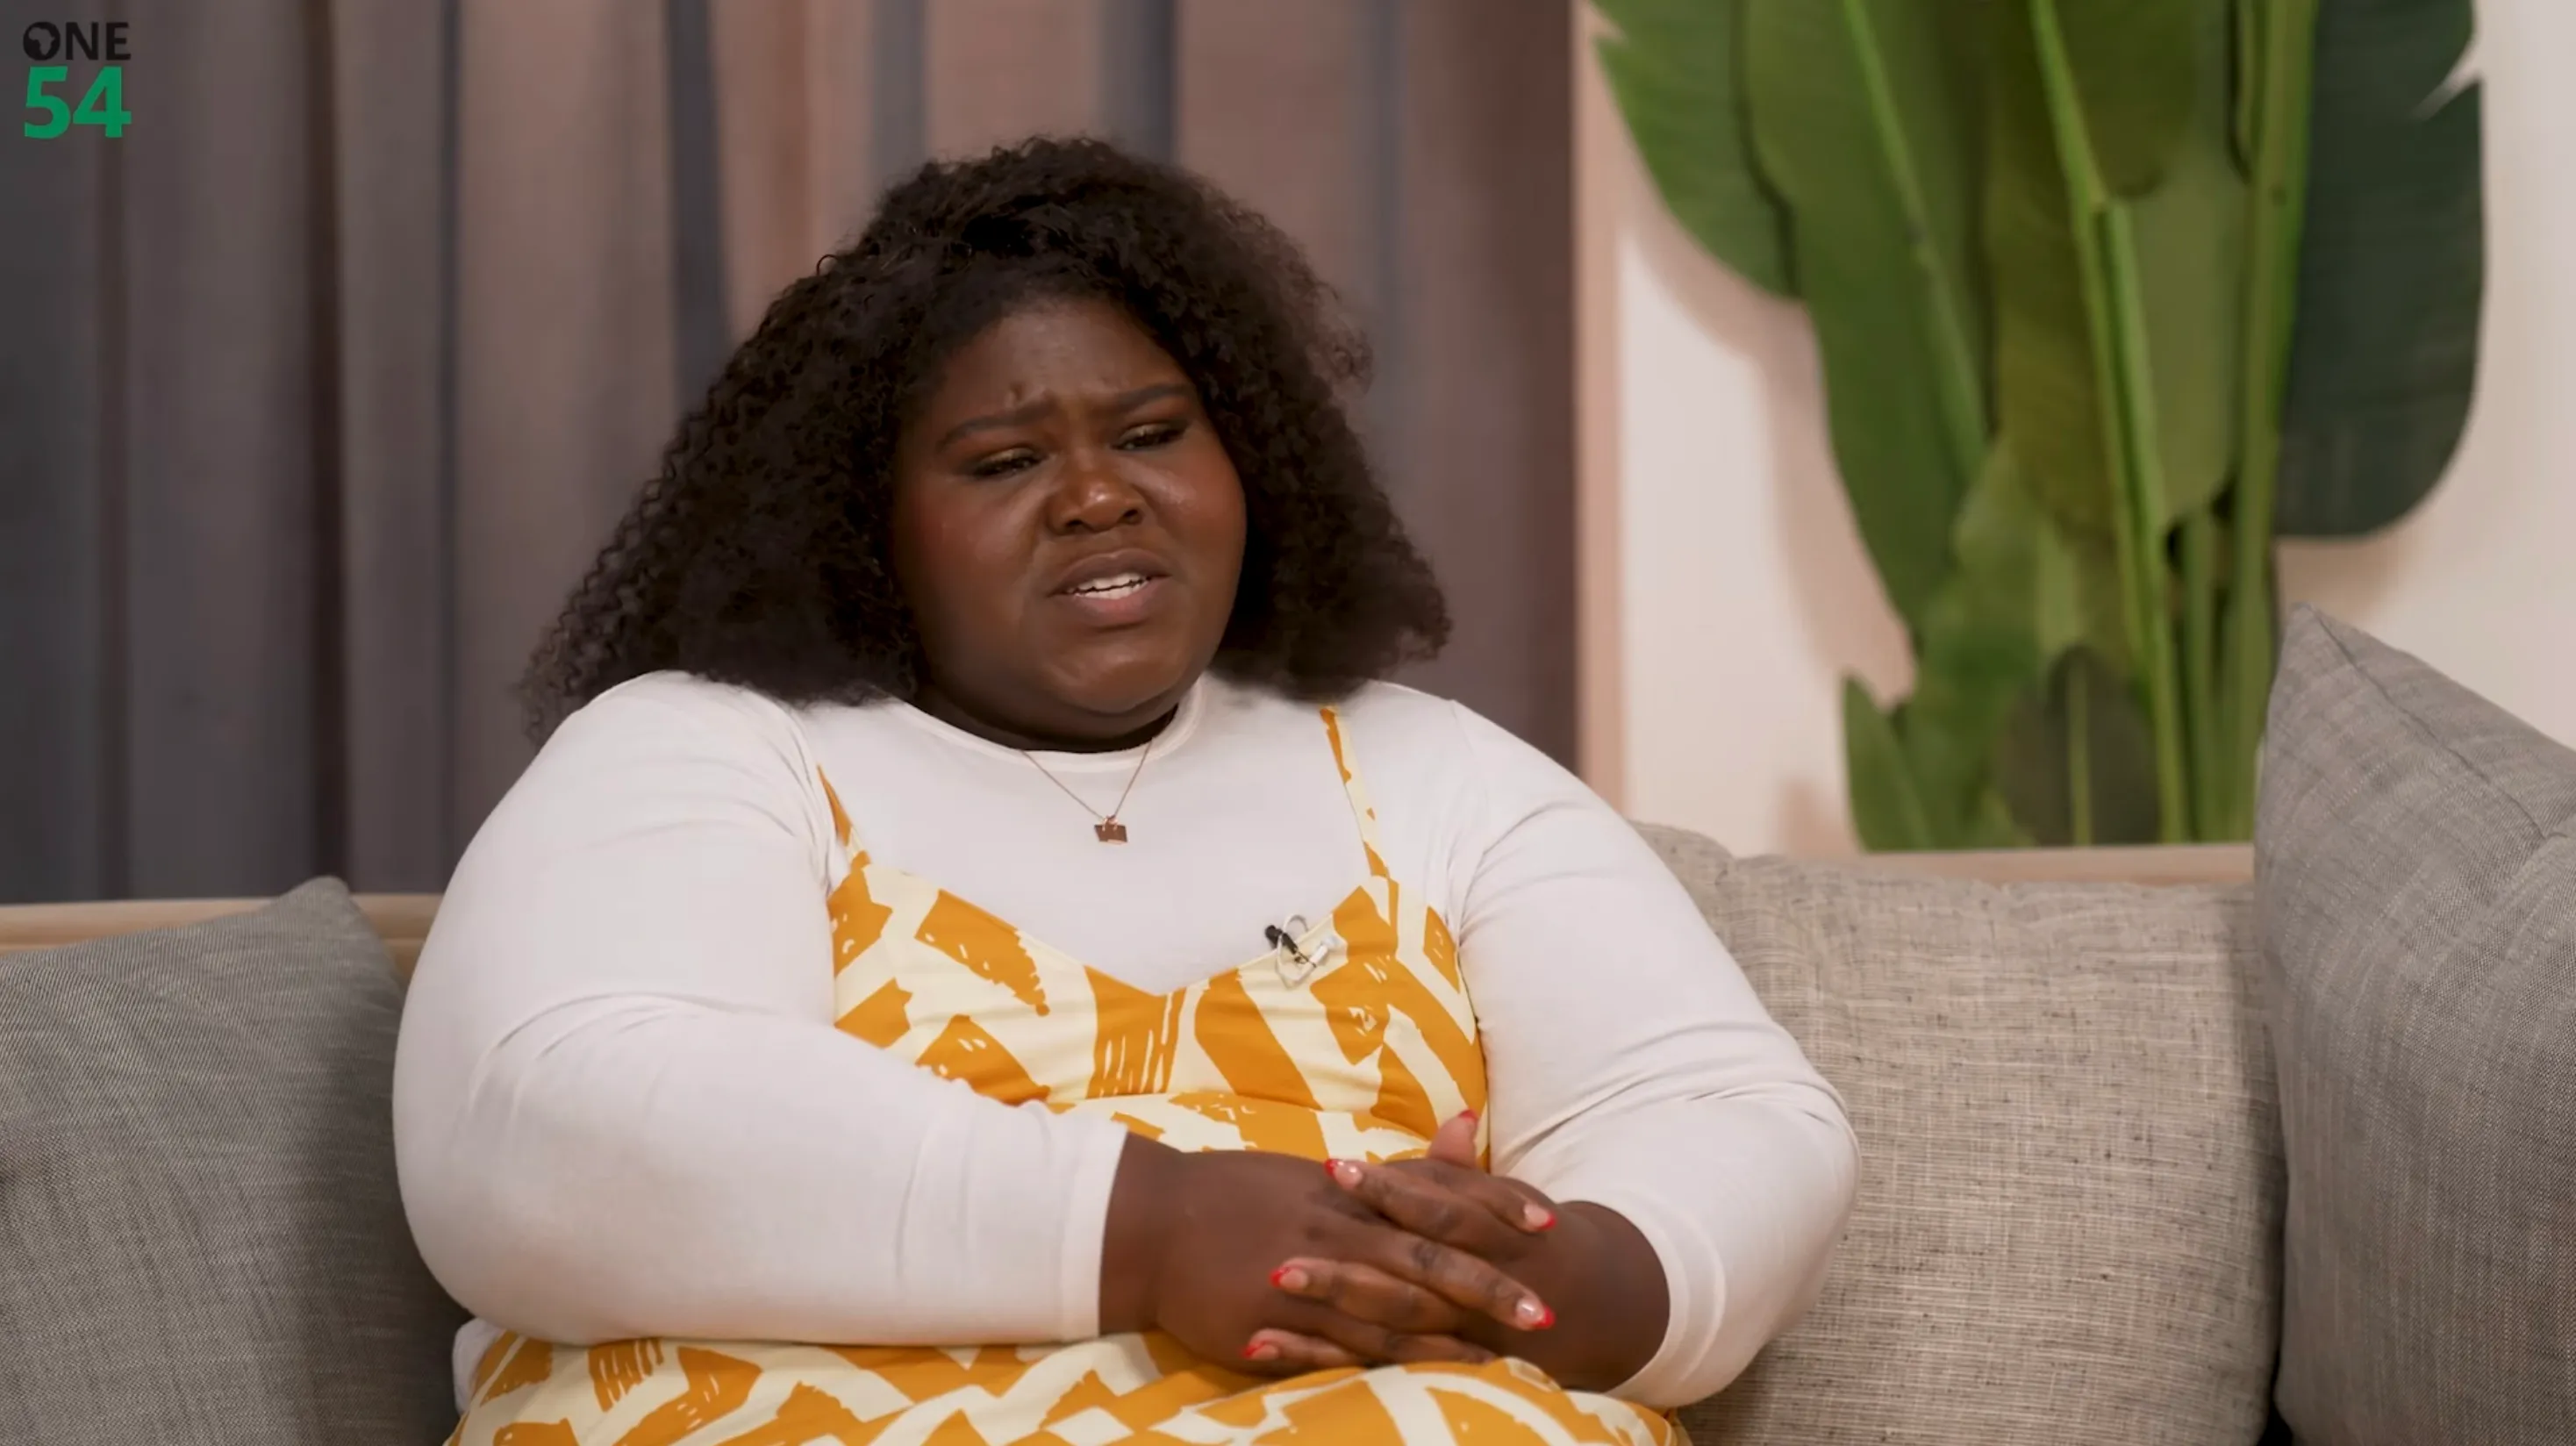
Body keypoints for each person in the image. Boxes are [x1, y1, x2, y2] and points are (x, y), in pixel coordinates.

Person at [392, 137, 1857, 1446]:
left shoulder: (1422, 769)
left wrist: (1563, 1278)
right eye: (1005, 459)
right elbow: (551, 1127)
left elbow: (1719, 1104)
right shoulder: (704, 748)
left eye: (1154, 435)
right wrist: (1149, 1229)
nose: (1100, 495)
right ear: (864, 529)